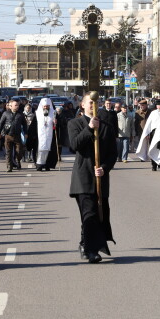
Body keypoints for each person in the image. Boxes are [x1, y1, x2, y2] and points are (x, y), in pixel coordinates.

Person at [68, 91, 117, 263]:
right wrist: (89, 128)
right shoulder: (74, 124)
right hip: (83, 177)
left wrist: (104, 168)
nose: (92, 105)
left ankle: (84, 243)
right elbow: (74, 145)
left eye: (95, 102)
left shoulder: (107, 127)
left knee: (98, 214)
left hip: (100, 178)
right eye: (89, 102)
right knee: (88, 214)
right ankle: (92, 250)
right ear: (82, 105)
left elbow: (113, 154)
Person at [0, 99, 25, 172]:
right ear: (10, 106)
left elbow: (24, 124)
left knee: (19, 151)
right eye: (15, 105)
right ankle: (9, 167)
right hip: (8, 135)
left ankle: (17, 160)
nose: (17, 106)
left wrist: (26, 133)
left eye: (18, 105)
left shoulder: (20, 114)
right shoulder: (6, 113)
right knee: (8, 152)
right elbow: (1, 123)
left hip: (17, 135)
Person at [34, 97, 59, 171]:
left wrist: (56, 123)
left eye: (47, 106)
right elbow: (34, 125)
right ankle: (39, 165)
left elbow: (58, 125)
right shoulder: (37, 113)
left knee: (49, 150)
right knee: (40, 149)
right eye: (44, 106)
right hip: (39, 135)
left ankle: (47, 165)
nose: (46, 107)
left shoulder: (54, 113)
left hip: (50, 135)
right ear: (41, 106)